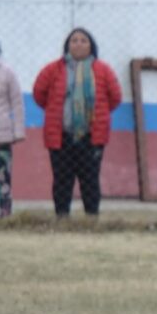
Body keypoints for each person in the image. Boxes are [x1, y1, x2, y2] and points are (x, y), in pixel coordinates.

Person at [34, 26, 120, 219]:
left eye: (83, 40)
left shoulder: (103, 70)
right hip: (61, 136)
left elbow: (115, 97)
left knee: (90, 179)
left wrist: (97, 114)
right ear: (67, 45)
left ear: (91, 46)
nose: (79, 43)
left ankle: (91, 217)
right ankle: (62, 217)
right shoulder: (53, 69)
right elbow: (39, 94)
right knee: (62, 180)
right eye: (74, 40)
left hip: (91, 137)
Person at [0, 39, 22, 218]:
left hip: (2, 135)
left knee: (3, 179)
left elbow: (17, 103)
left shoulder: (7, 73)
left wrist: (19, 131)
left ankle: (4, 215)